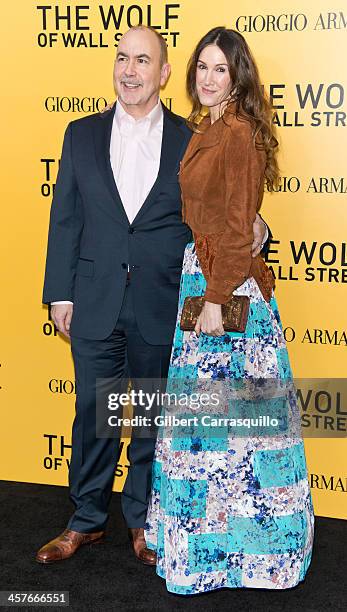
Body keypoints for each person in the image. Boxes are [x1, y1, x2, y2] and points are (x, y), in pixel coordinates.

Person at [37, 25, 269, 565]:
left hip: (161, 301)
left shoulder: (195, 139)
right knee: (93, 412)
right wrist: (57, 292)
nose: (130, 70)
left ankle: (143, 522)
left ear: (165, 73)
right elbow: (65, 219)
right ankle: (85, 520)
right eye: (122, 59)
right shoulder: (81, 134)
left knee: (149, 419)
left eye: (143, 60)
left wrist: (259, 230)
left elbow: (226, 210)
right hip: (91, 299)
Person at [144, 27, 314, 594]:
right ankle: (211, 556)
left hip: (226, 290)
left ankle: (253, 559)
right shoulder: (209, 128)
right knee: (210, 435)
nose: (209, 78)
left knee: (237, 436)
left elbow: (240, 226)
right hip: (206, 277)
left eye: (221, 69)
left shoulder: (237, 132)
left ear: (238, 76)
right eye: (202, 68)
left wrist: (217, 298)